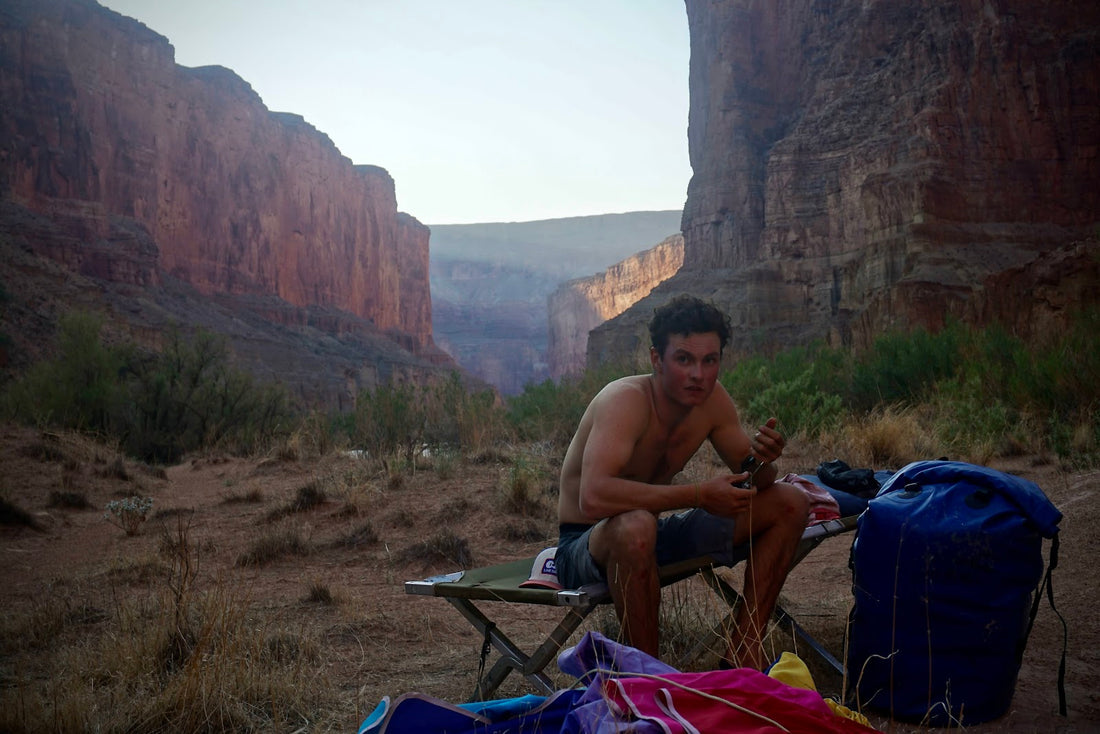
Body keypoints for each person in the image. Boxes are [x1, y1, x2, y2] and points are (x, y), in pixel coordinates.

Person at [555, 294, 809, 670]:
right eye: (684, 359)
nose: (699, 375)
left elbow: (756, 479)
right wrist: (698, 495)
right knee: (637, 525)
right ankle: (649, 681)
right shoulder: (624, 401)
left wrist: (764, 460)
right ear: (657, 359)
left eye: (710, 361)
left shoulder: (712, 402)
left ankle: (744, 652)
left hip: (651, 533)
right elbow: (593, 498)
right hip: (586, 544)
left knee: (791, 501)